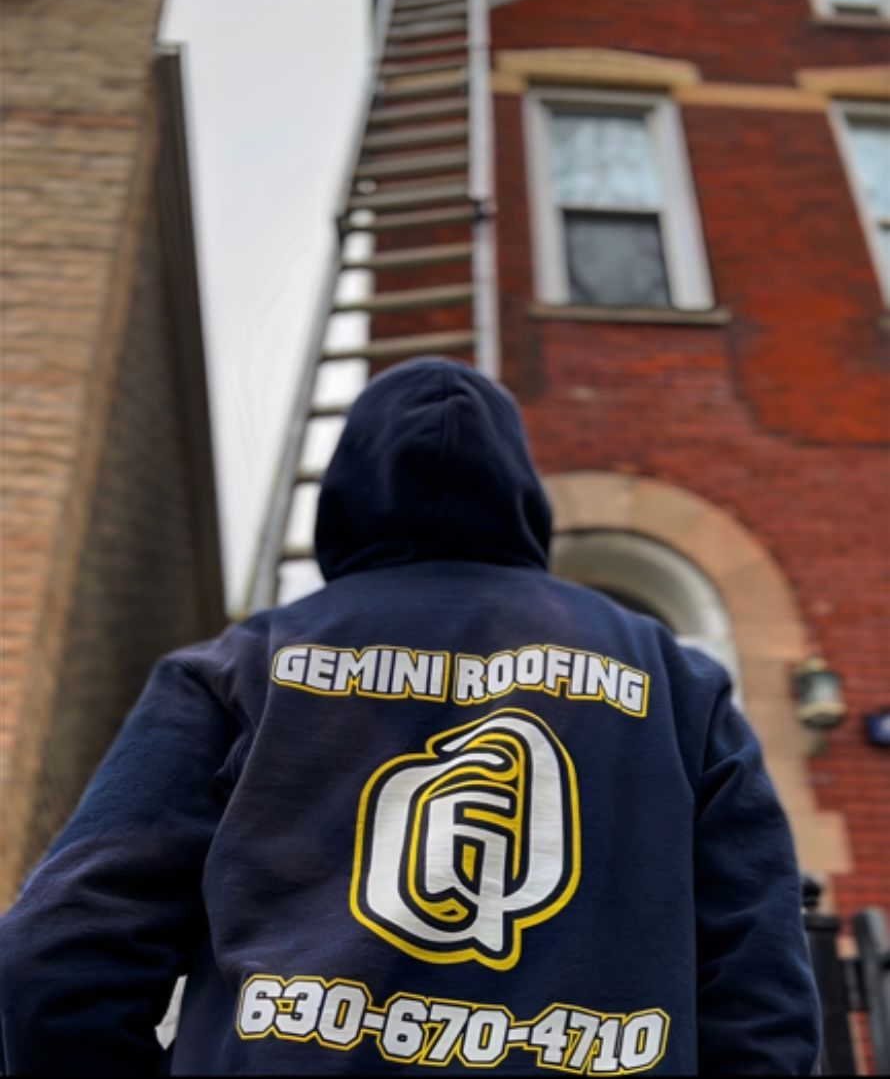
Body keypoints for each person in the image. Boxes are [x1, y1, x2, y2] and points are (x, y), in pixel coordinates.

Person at [0, 356, 821, 1075]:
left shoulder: (241, 666)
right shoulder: (674, 680)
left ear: (348, 494)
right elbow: (764, 998)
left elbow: (61, 952)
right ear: (520, 494)